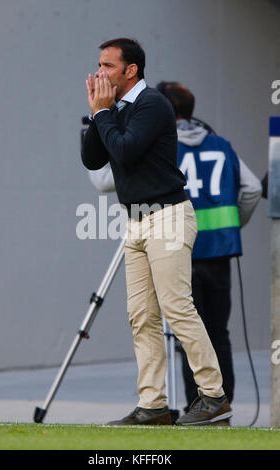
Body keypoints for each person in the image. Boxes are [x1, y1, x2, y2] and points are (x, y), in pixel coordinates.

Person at [81, 37, 232, 426]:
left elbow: (127, 150)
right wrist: (98, 113)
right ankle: (153, 405)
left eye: (108, 66)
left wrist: (102, 115)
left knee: (177, 309)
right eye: (99, 65)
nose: (100, 73)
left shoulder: (152, 104)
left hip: (167, 215)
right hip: (136, 220)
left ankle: (213, 397)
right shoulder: (115, 109)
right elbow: (94, 158)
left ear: (131, 71)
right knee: (141, 315)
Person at [156, 81, 262, 415]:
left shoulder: (162, 146)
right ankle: (223, 404)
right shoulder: (221, 144)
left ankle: (196, 406)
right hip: (219, 253)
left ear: (165, 111)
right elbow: (253, 188)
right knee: (219, 332)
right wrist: (232, 223)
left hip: (179, 251)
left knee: (190, 333)